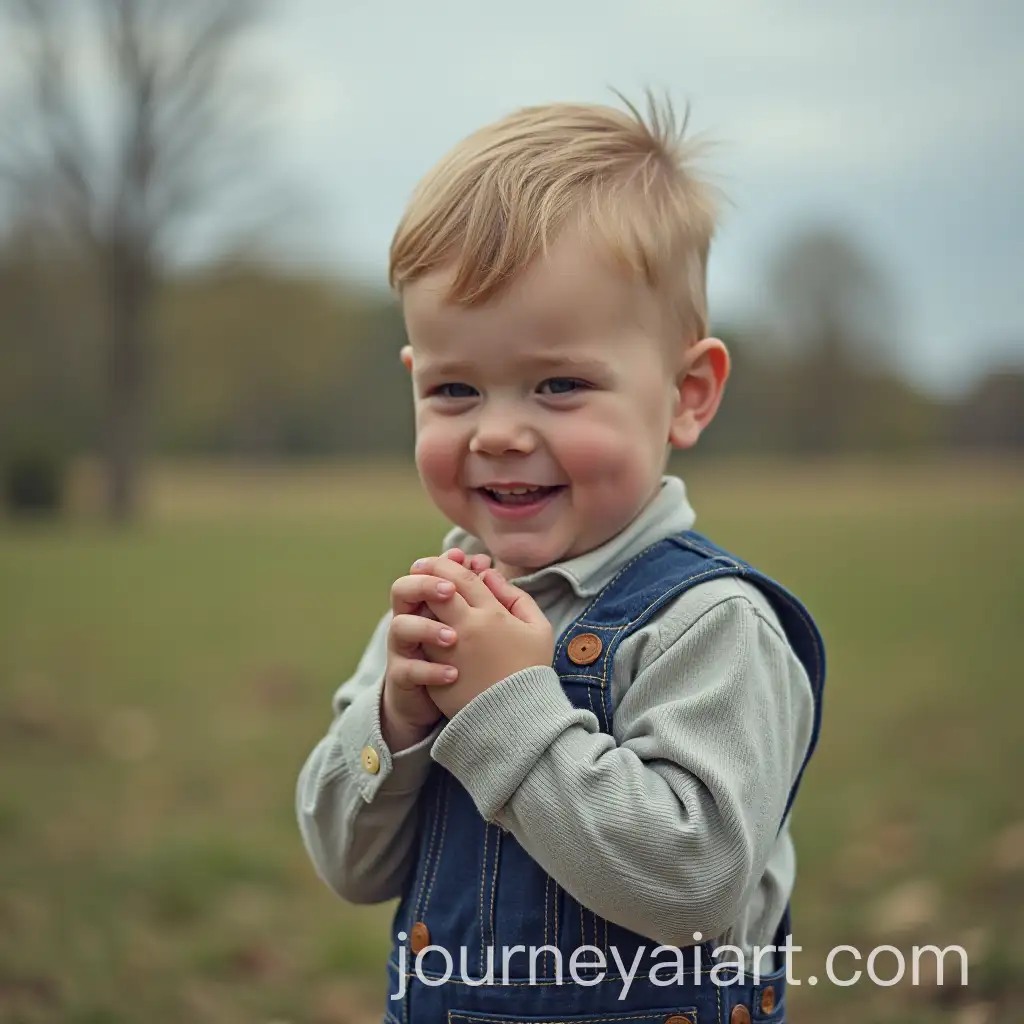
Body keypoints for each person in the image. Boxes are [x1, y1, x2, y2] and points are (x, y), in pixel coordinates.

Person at [296, 93, 825, 1023]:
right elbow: (351, 866)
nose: (499, 432)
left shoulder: (709, 625)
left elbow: (694, 889)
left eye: (560, 384)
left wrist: (508, 711)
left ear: (686, 394)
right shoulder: (433, 611)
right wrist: (395, 720)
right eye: (456, 389)